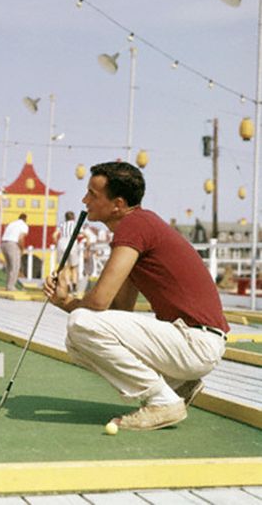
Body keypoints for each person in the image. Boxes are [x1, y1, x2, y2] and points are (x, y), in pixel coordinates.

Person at [44, 162, 229, 431]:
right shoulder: (139, 225)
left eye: (92, 194)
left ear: (117, 204)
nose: (85, 200)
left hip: (196, 343)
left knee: (80, 323)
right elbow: (119, 309)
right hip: (194, 341)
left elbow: (98, 302)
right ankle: (177, 386)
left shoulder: (134, 225)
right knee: (76, 342)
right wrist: (67, 301)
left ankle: (163, 401)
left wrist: (66, 302)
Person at [53, 211, 81, 292]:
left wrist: (56, 244)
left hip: (61, 244)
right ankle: (74, 284)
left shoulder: (62, 225)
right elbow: (84, 234)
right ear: (74, 217)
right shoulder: (76, 224)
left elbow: (54, 235)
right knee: (74, 267)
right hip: (72, 244)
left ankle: (68, 284)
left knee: (65, 267)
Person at [1, 213, 29, 291]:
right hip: (12, 244)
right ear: (25, 219)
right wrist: (22, 249)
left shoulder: (11, 224)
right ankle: (11, 286)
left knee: (9, 266)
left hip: (3, 244)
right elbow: (21, 238)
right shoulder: (24, 225)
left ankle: (8, 285)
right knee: (15, 266)